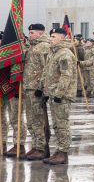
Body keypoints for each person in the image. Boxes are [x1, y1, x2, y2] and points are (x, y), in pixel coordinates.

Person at [42, 26, 78, 165]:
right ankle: (59, 150)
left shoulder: (65, 54)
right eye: (50, 36)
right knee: (57, 124)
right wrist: (45, 91)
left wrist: (59, 93)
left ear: (62, 38)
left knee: (62, 124)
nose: (50, 39)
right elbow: (48, 73)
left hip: (62, 96)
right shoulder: (54, 52)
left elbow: (66, 76)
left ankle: (63, 152)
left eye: (53, 37)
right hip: (53, 94)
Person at [23, 23, 53, 160]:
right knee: (31, 119)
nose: (30, 35)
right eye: (29, 33)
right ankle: (35, 145)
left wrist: (42, 89)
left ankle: (41, 148)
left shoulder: (44, 47)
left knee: (38, 119)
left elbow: (47, 69)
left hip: (37, 88)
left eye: (32, 33)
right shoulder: (33, 46)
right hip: (29, 87)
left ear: (40, 33)